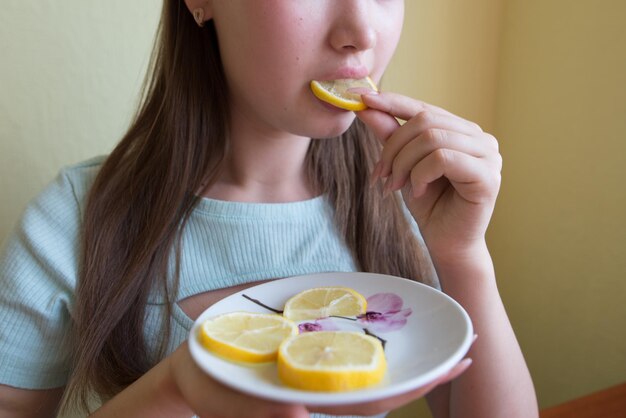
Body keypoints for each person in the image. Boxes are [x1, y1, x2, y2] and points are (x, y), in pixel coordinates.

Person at [0, 1, 538, 417]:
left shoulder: (404, 199)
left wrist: (463, 255)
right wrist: (174, 387)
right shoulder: (72, 223)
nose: (361, 32)